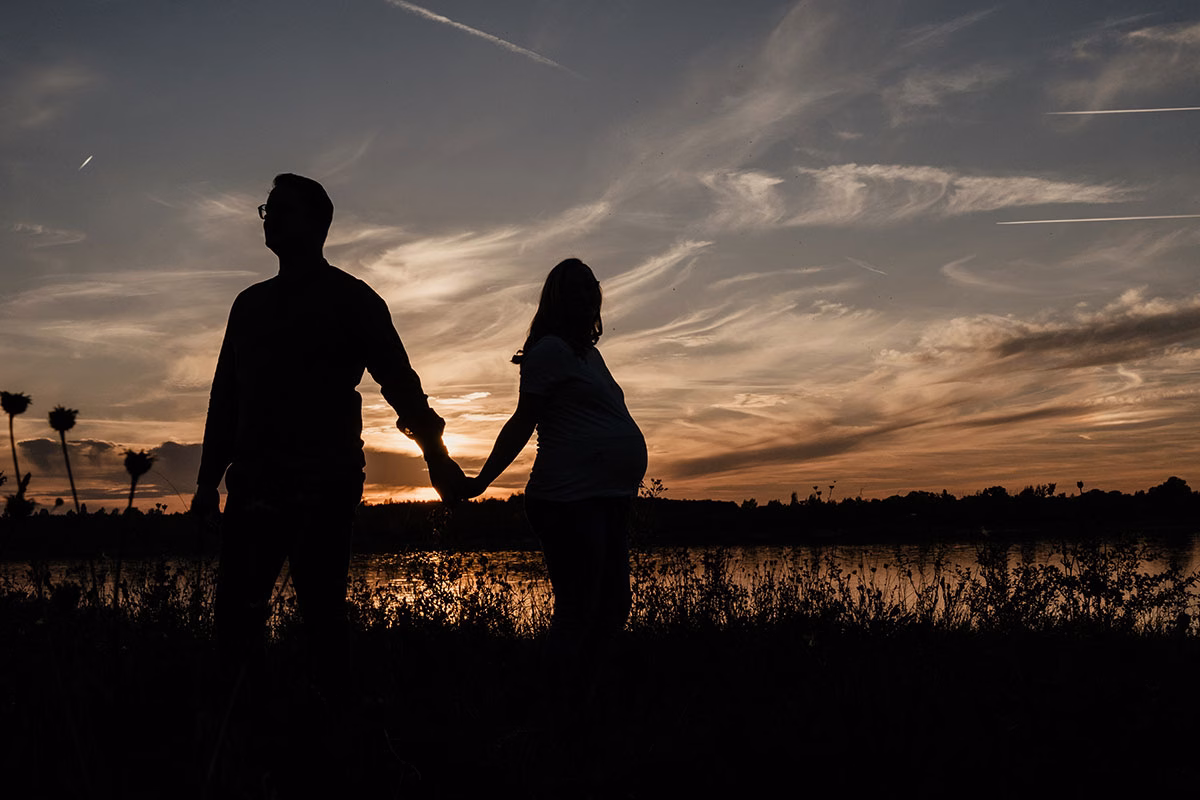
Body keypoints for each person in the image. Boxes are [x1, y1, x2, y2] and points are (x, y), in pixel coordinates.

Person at [191, 173, 463, 695]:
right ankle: (248, 725)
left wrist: (436, 455)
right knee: (236, 620)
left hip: (324, 484)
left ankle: (333, 725)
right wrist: (207, 482)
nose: (270, 219)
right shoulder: (248, 306)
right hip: (254, 484)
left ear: (317, 224)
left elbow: (400, 383)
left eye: (282, 209)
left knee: (322, 619)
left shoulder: (353, 299)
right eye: (267, 210)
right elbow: (225, 398)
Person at [463, 258, 647, 722]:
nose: (587, 295)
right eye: (576, 289)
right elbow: (522, 422)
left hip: (607, 499)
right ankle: (552, 714)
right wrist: (482, 480)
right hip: (569, 500)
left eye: (591, 287)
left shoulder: (589, 355)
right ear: (557, 299)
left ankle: (580, 703)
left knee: (612, 608)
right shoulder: (548, 351)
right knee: (579, 611)